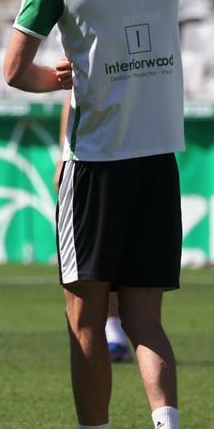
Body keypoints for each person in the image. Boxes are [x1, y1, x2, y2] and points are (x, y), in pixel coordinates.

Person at [3, 0, 187, 429]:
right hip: (158, 156)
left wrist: (51, 78)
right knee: (145, 320)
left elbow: (14, 69)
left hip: (97, 162)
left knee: (85, 322)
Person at [55, 87, 133, 363]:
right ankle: (112, 328)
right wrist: (64, 155)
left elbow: (16, 73)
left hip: (139, 154)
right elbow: (72, 92)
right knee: (98, 260)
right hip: (93, 157)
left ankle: (116, 328)